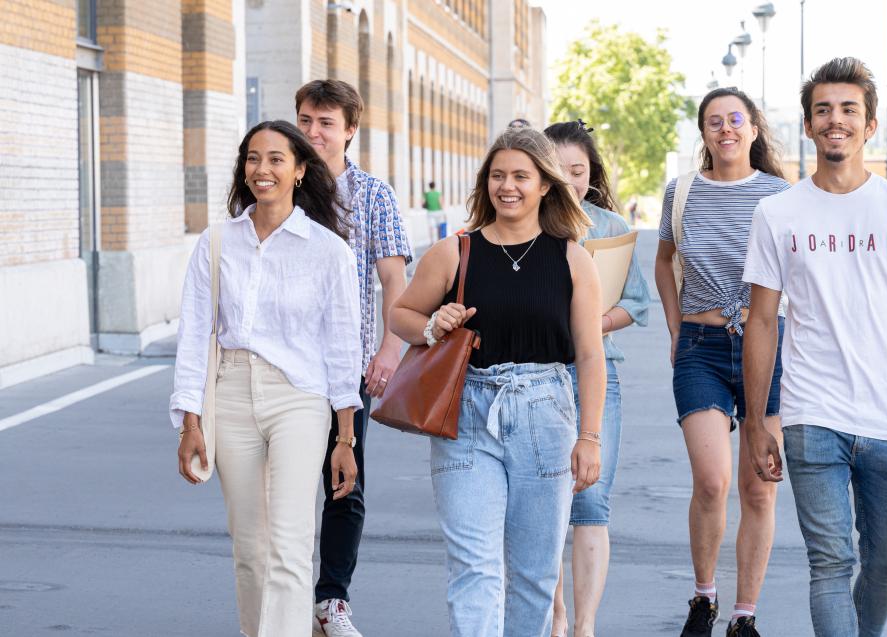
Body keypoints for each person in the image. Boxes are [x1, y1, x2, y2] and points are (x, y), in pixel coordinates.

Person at [741, 58, 887, 637]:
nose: (836, 120)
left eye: (848, 110)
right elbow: (762, 321)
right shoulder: (778, 213)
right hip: (813, 415)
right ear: (808, 126)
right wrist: (762, 420)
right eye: (823, 110)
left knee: (885, 565)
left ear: (870, 125)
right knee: (831, 563)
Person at [389, 126, 606, 637]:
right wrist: (429, 325)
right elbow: (401, 313)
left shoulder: (573, 259)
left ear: (545, 185)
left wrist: (590, 437)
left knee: (535, 572)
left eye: (521, 176)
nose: (507, 186)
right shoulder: (455, 252)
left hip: (546, 412)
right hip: (466, 410)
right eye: (497, 175)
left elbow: (591, 355)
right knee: (474, 566)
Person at [171, 120, 362, 637]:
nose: (263, 169)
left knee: (290, 541)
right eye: (253, 158)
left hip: (299, 398)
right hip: (231, 395)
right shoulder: (216, 244)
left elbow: (343, 349)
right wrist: (190, 421)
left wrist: (345, 437)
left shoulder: (328, 251)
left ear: (300, 171)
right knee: (250, 548)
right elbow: (194, 335)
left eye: (277, 159)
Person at [653, 87, 790, 637]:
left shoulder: (782, 195)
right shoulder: (681, 192)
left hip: (770, 348)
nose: (726, 129)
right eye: (715, 121)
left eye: (736, 119)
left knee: (760, 486)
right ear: (705, 133)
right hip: (700, 347)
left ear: (754, 129)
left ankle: (744, 614)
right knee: (712, 482)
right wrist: (673, 324)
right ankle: (705, 597)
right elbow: (664, 263)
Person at [295, 79, 412, 637]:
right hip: (285, 369)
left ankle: (331, 600)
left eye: (325, 122)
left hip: (349, 368)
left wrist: (389, 348)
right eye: (305, 121)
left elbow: (395, 278)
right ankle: (286, 596)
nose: (313, 132)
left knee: (345, 483)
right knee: (286, 488)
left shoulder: (373, 195)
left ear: (349, 130)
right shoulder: (281, 188)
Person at [543, 119, 651, 637]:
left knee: (590, 498)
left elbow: (637, 302)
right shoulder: (523, 221)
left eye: (578, 171)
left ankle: (584, 625)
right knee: (545, 501)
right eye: (558, 170)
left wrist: (591, 322)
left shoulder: (610, 227)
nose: (569, 180)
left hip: (596, 372)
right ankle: (556, 616)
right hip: (535, 374)